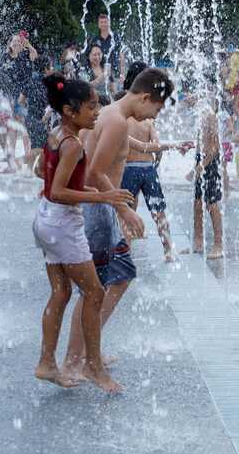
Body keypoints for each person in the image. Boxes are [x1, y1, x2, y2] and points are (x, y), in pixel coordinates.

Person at [60, 68, 173, 379]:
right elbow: (95, 171)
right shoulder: (115, 121)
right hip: (100, 211)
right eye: (158, 108)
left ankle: (86, 352)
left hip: (102, 210)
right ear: (146, 98)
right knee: (94, 288)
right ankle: (75, 360)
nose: (156, 114)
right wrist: (126, 211)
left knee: (116, 280)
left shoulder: (112, 117)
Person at [32, 73, 132, 392]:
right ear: (70, 112)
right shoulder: (73, 144)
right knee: (95, 293)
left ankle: (47, 363)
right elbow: (60, 191)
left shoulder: (55, 135)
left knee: (61, 292)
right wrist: (101, 196)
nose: (97, 112)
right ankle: (94, 367)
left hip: (45, 220)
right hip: (63, 223)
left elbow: (40, 172)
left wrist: (80, 188)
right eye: (90, 107)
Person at [122, 116, 193, 262]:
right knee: (159, 213)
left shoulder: (122, 121)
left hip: (129, 169)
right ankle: (168, 251)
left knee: (125, 213)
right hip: (148, 169)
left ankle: (125, 254)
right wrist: (157, 163)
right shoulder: (148, 123)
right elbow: (157, 146)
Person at [188, 91, 224, 259]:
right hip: (201, 160)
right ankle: (198, 242)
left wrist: (199, 168)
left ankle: (218, 244)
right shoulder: (201, 115)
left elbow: (213, 148)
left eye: (192, 95)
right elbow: (200, 144)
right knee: (196, 203)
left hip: (210, 163)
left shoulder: (210, 116)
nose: (188, 97)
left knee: (212, 204)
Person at [0, 32, 37, 173]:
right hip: (9, 96)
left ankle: (29, 157)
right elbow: (1, 76)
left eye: (18, 42)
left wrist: (28, 44)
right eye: (14, 42)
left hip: (24, 95)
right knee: (12, 127)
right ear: (9, 44)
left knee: (24, 127)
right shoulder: (4, 57)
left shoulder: (25, 55)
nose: (16, 44)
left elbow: (34, 56)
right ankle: (12, 159)